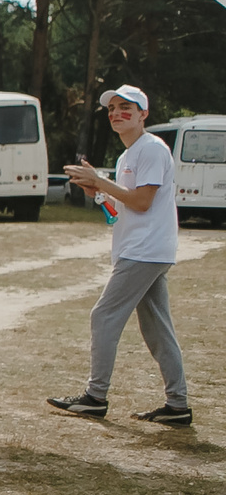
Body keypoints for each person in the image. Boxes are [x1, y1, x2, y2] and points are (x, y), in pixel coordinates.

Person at [53, 84, 193, 425]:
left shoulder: (152, 150)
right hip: (144, 249)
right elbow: (124, 208)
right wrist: (97, 192)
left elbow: (143, 201)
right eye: (112, 108)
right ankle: (178, 406)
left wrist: (101, 181)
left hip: (145, 251)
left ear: (143, 114)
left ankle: (95, 397)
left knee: (103, 316)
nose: (116, 113)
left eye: (125, 107)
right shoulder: (127, 155)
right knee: (157, 329)